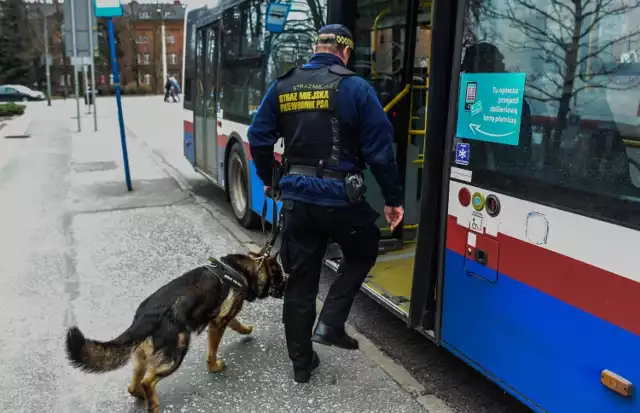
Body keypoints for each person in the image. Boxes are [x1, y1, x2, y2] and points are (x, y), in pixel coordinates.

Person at [247, 24, 404, 384]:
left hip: (297, 200)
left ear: (317, 47)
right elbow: (381, 154)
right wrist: (394, 200)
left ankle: (302, 365)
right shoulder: (356, 88)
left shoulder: (283, 85)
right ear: (345, 52)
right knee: (363, 250)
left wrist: (272, 180)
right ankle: (331, 322)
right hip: (339, 198)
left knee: (301, 281)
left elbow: (258, 137)